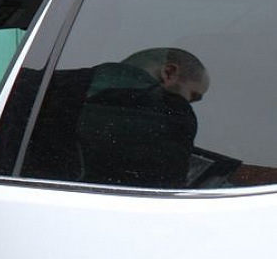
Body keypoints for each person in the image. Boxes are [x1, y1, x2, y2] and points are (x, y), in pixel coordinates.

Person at [78, 47, 210, 188]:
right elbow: (165, 194)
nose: (189, 103)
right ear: (169, 73)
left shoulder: (59, 80)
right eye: (192, 96)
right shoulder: (172, 112)